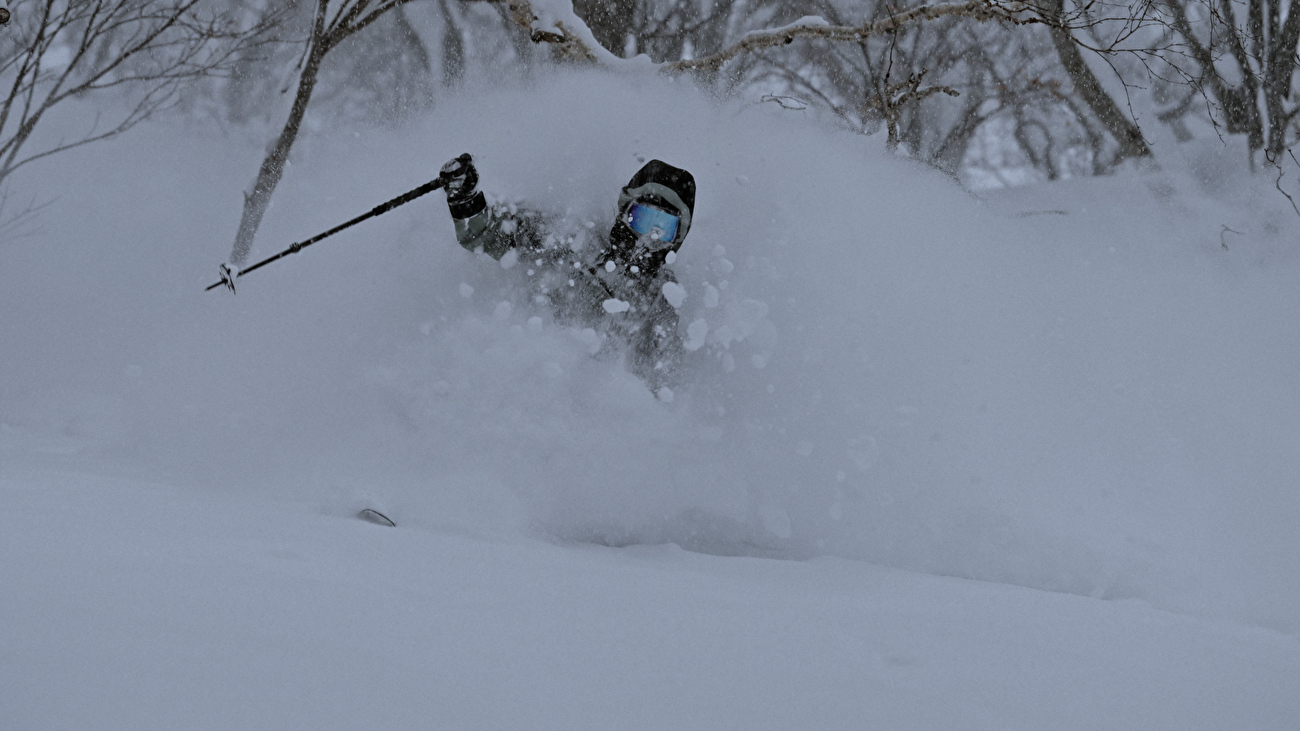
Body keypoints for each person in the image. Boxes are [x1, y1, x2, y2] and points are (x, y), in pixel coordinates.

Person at [438, 153, 696, 395]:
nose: (648, 237)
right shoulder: (574, 236)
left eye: (664, 228)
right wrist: (466, 203)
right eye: (641, 218)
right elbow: (491, 236)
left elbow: (663, 383)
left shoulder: (662, 301)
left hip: (591, 404)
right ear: (624, 210)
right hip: (529, 375)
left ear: (677, 238)